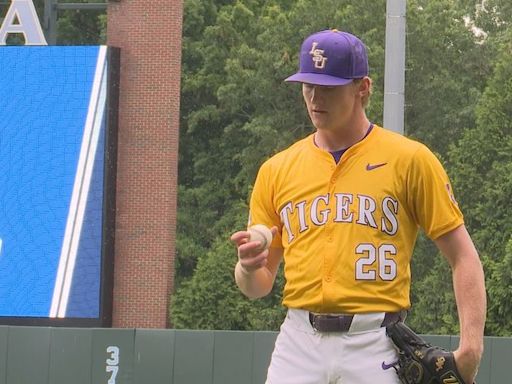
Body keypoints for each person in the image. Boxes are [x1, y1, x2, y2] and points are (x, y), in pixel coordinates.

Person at [230, 29, 486, 384]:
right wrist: (246, 268)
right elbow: (257, 285)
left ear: (363, 88)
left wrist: (471, 348)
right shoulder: (277, 169)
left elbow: (463, 257)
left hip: (375, 343)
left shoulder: (410, 159)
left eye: (329, 86)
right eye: (308, 85)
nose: (315, 97)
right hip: (298, 343)